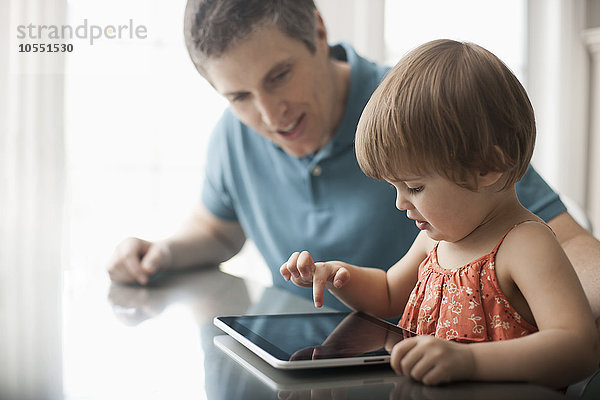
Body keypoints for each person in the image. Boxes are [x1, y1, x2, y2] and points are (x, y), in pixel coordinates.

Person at [107, 0, 600, 317]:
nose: (268, 114)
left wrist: (561, 327)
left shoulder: (417, 117)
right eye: (238, 95)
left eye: (279, 76)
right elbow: (217, 231)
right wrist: (161, 253)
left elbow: (564, 243)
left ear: (318, 32)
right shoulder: (234, 135)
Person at [280, 39, 600, 387]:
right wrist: (337, 275)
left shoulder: (526, 245)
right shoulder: (433, 243)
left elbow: (578, 347)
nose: (401, 203)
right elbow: (386, 292)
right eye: (395, 188)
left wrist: (468, 361)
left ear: (486, 168)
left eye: (414, 187)